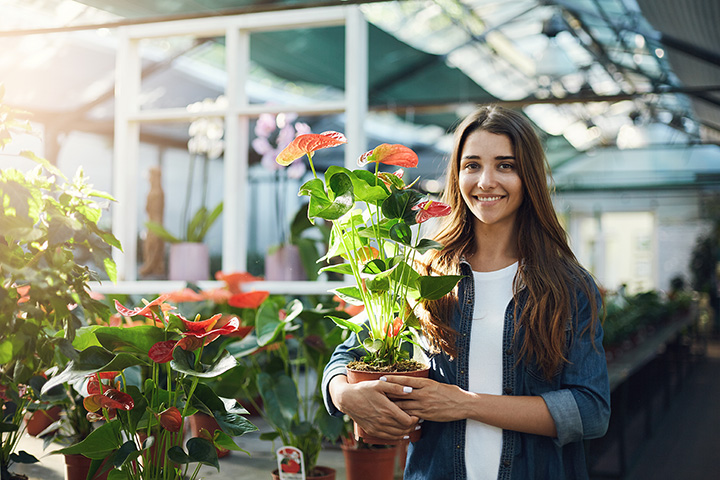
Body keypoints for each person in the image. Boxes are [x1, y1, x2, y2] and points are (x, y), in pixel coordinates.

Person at [321, 105, 610, 479]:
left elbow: (591, 411)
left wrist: (465, 404)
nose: (486, 181)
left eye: (505, 165)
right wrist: (344, 396)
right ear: (457, 174)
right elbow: (346, 356)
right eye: (472, 165)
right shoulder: (423, 272)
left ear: (529, 177)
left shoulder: (567, 286)